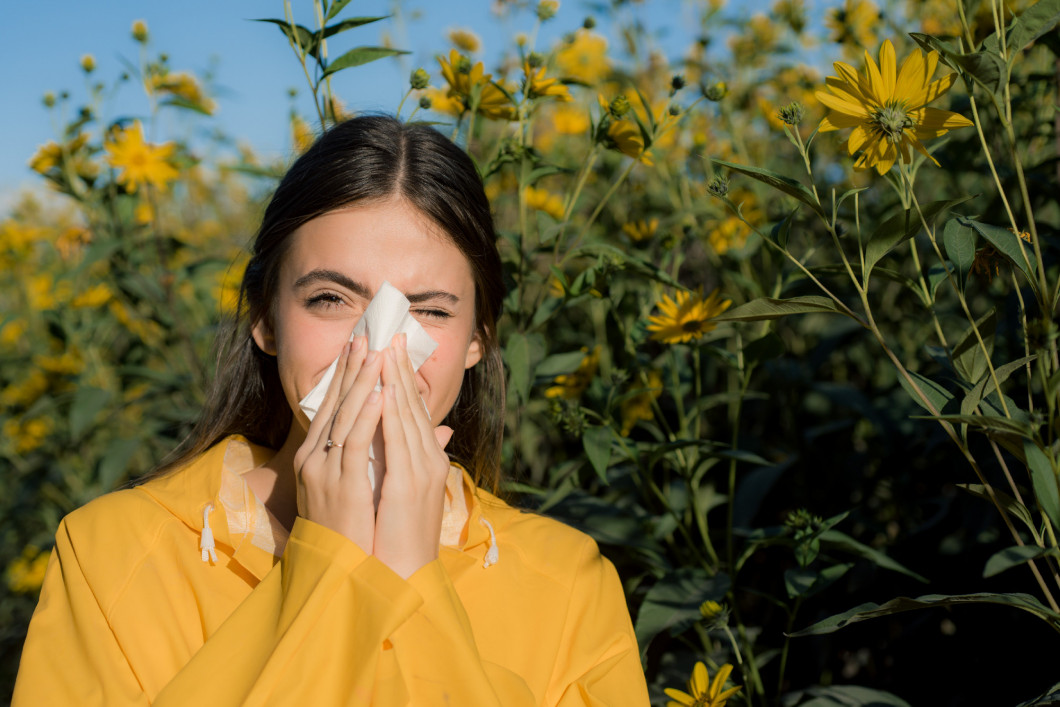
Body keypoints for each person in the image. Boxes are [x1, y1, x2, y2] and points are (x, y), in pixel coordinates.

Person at [12, 115, 650, 705]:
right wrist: (329, 564)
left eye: (429, 311)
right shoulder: (110, 554)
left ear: (477, 340)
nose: (379, 346)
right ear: (265, 319)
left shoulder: (570, 585)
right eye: (330, 299)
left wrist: (408, 573)